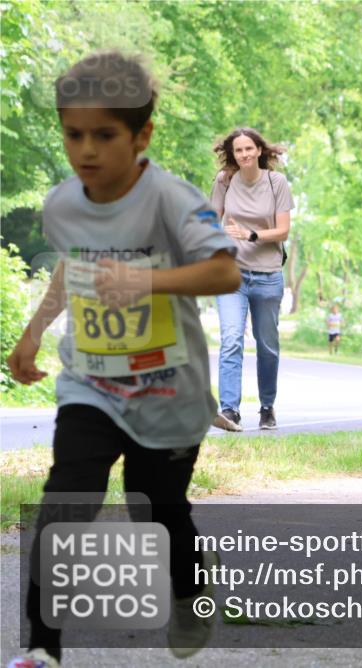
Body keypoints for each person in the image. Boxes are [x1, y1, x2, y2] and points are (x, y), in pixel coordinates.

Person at [4, 51, 240, 668]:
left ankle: (191, 592)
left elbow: (224, 271)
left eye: (104, 135)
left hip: (167, 391)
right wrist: (33, 332)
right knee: (66, 500)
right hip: (91, 383)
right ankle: (42, 649)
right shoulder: (61, 205)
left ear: (141, 135)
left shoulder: (169, 198)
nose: (86, 150)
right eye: (73, 134)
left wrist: (145, 284)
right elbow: (72, 266)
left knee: (154, 507)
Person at [209, 127, 294, 431]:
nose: (244, 154)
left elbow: (283, 231)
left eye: (249, 149)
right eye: (238, 150)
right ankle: (229, 411)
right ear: (232, 155)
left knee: (267, 345)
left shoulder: (276, 183)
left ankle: (267, 407)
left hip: (268, 275)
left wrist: (251, 235)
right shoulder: (224, 181)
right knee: (231, 339)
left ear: (259, 150)